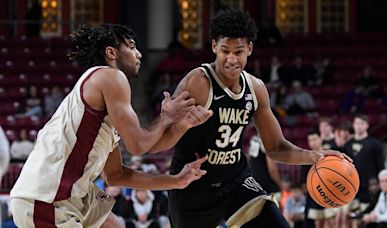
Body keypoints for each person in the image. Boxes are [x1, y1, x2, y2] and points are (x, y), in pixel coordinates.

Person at [149, 9, 350, 228]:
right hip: (193, 186)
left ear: (250, 49)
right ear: (214, 47)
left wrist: (315, 157)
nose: (232, 59)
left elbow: (275, 147)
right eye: (225, 50)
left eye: (239, 51)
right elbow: (159, 144)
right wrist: (177, 123)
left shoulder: (255, 88)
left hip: (236, 182)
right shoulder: (197, 84)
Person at [9, 24, 212, 228]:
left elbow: (116, 175)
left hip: (74, 196)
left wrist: (176, 179)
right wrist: (166, 117)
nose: (139, 54)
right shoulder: (110, 77)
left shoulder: (102, 114)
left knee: (114, 224)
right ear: (111, 52)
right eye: (132, 47)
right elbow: (138, 145)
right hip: (46, 197)